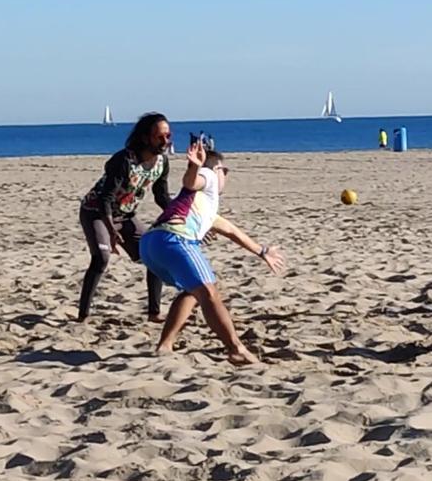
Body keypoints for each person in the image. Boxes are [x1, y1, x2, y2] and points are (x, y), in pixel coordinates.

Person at [140, 138, 286, 365]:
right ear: (218, 169)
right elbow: (191, 182)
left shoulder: (205, 206)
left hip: (151, 244)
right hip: (174, 240)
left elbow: (232, 231)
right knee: (210, 293)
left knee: (192, 292)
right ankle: (235, 348)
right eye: (225, 170)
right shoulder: (207, 177)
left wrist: (262, 251)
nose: (225, 176)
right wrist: (196, 166)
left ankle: (165, 345)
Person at [77, 112, 173, 322]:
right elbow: (105, 199)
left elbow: (161, 195)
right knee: (101, 258)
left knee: (154, 256)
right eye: (160, 137)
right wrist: (111, 231)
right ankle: (83, 315)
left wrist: (180, 214)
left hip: (126, 215)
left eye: (168, 136)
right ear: (145, 138)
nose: (166, 142)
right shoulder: (124, 161)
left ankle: (154, 313)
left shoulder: (161, 163)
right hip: (96, 212)